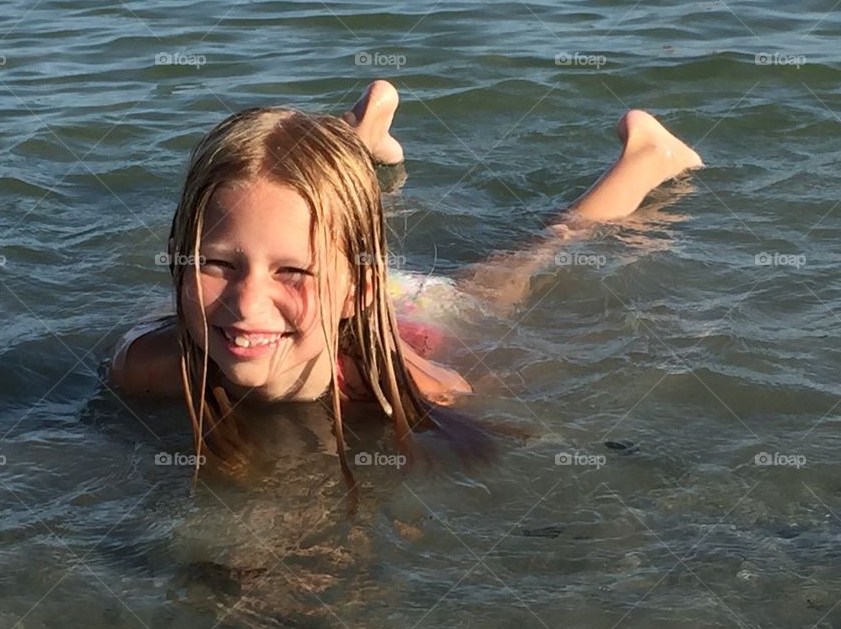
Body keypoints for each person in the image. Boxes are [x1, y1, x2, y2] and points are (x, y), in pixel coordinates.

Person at [109, 79, 702, 474]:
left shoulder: (409, 388)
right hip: (337, 290)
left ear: (356, 292)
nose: (246, 304)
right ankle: (356, 143)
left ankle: (648, 157)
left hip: (411, 314)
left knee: (517, 267)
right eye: (217, 264)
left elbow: (488, 407)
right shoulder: (145, 368)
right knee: (320, 223)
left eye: (290, 270)